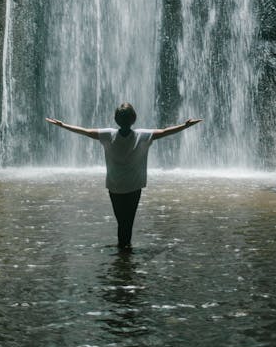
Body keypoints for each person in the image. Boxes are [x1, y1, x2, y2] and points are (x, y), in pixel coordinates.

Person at [45, 103, 201, 250]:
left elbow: (85, 131)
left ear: (116, 119)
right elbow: (166, 132)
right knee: (128, 220)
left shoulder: (107, 134)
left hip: (115, 186)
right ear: (134, 119)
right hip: (134, 186)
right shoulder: (143, 135)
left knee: (121, 220)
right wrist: (185, 126)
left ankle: (123, 249)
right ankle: (125, 249)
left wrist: (63, 125)